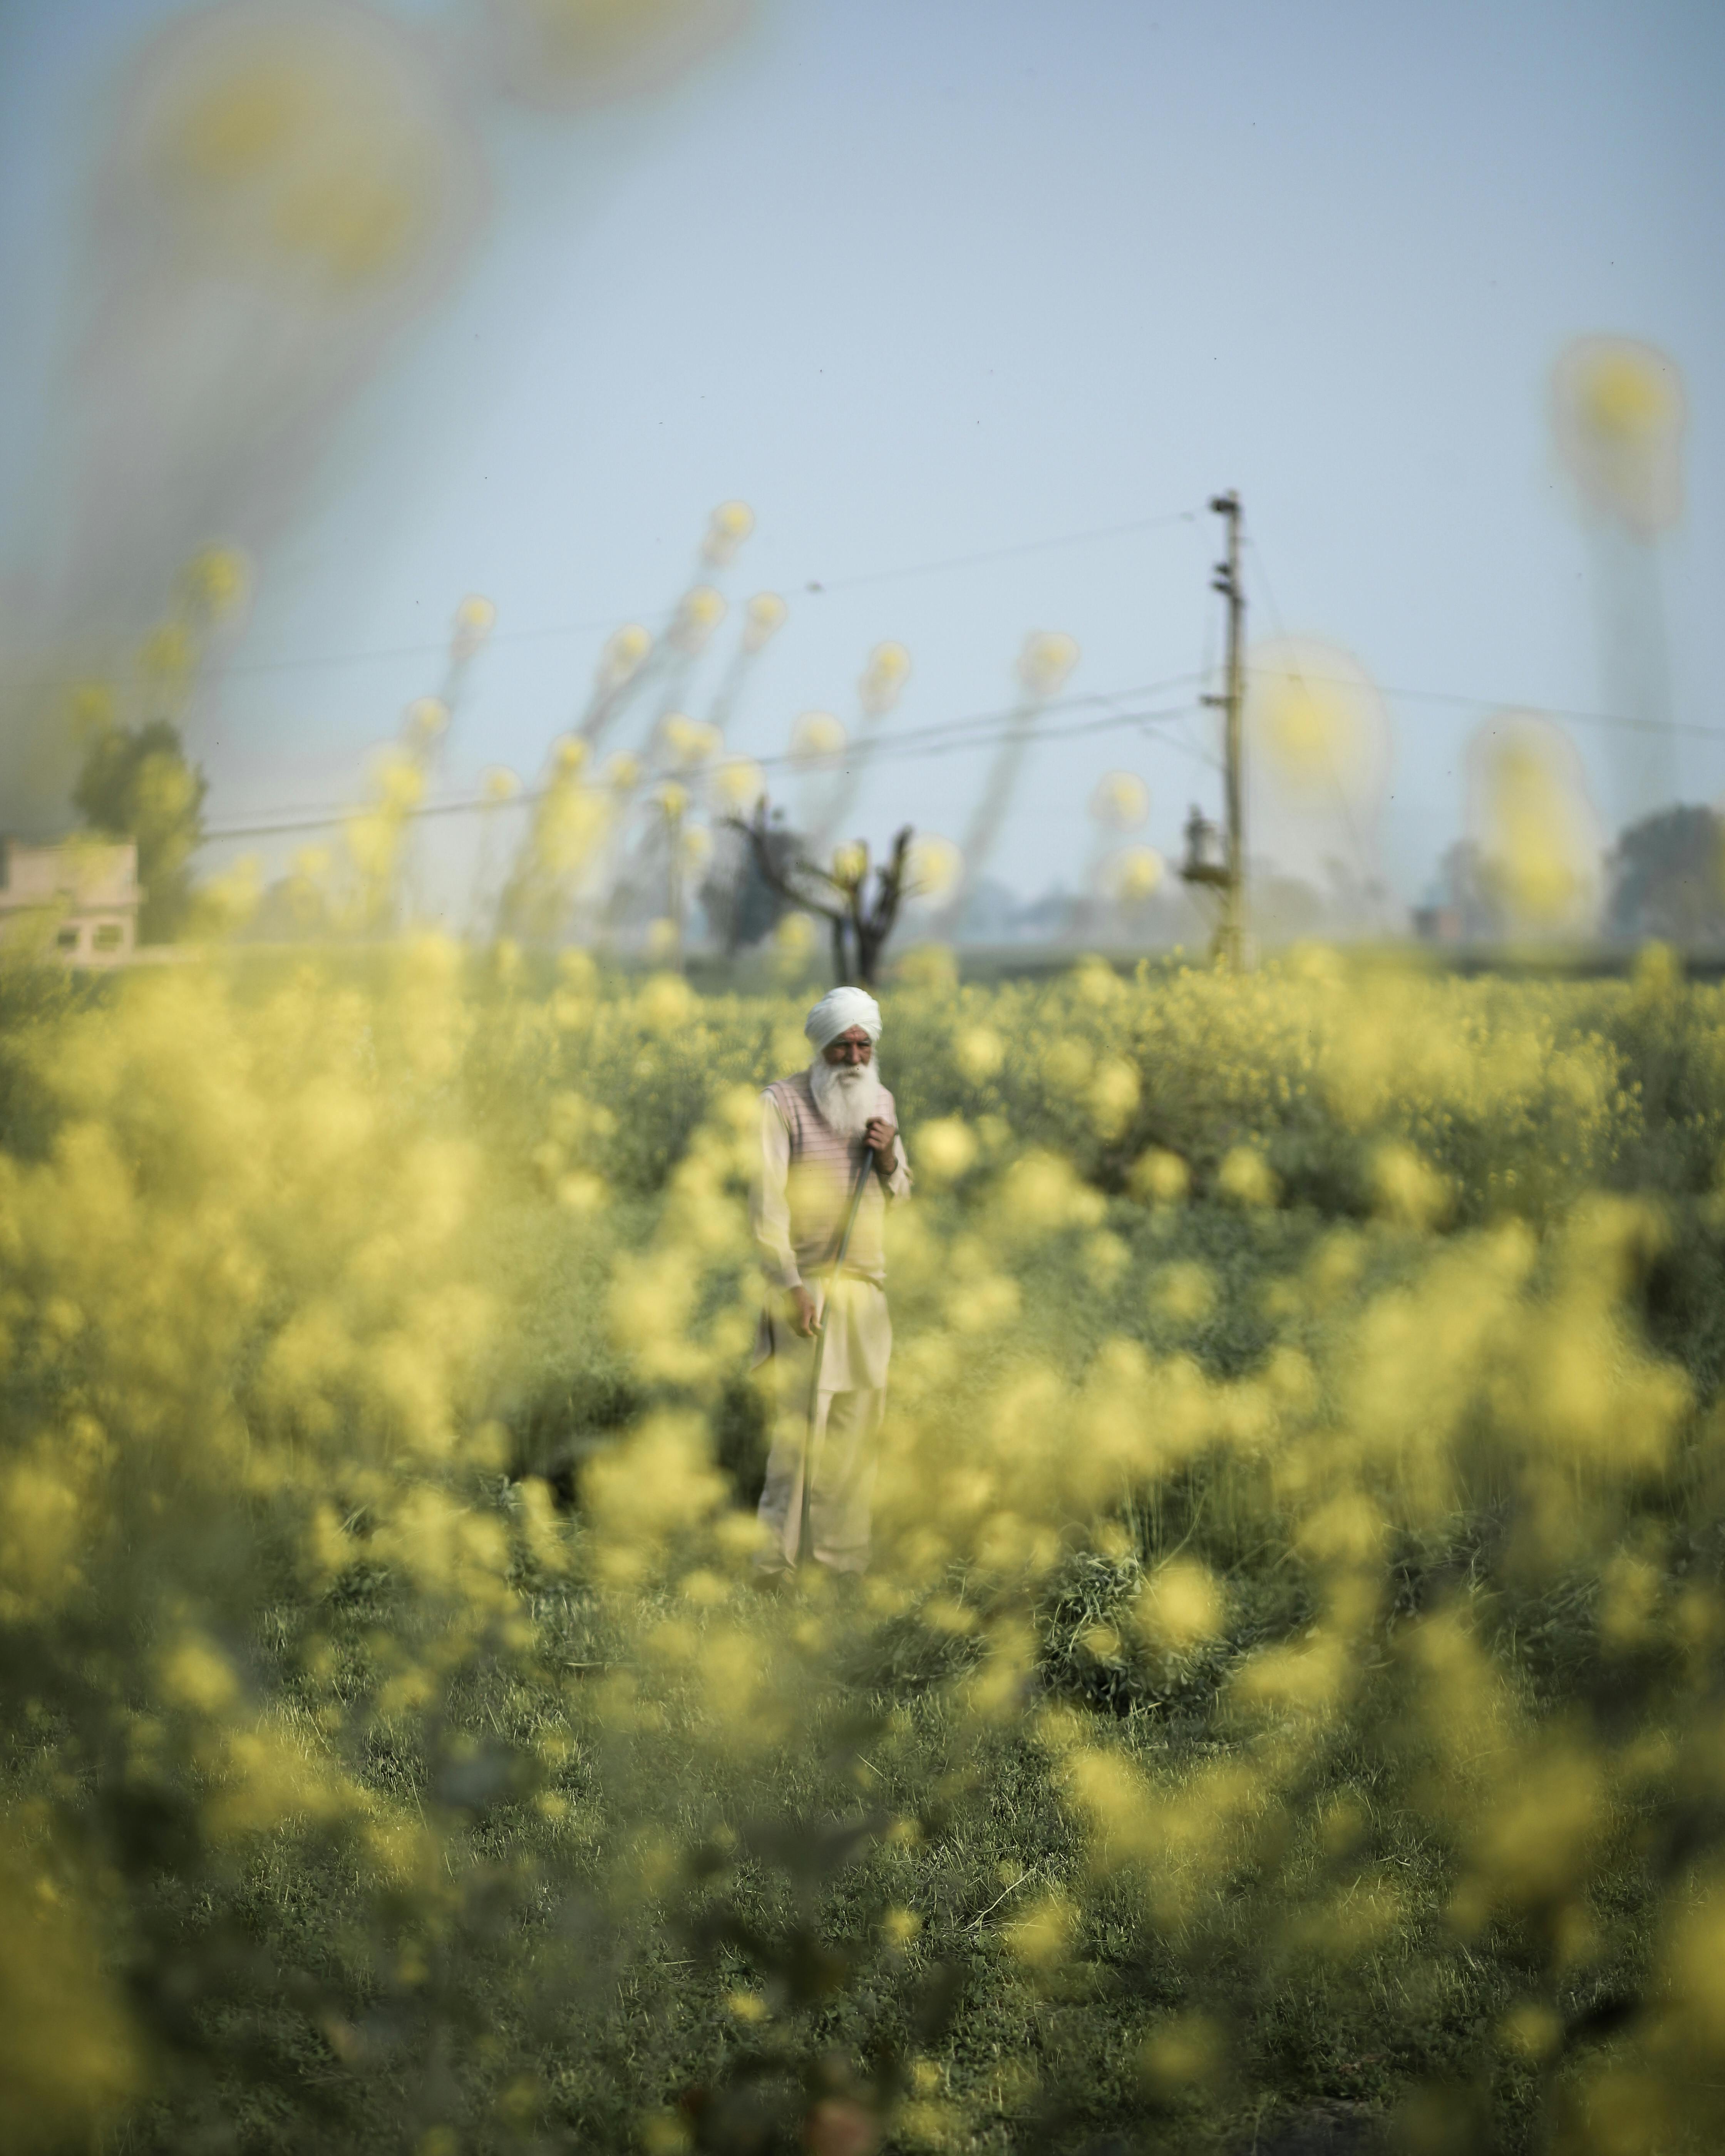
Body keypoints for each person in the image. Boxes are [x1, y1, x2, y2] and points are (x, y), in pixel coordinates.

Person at [751, 984, 912, 1574]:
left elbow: (900, 1193)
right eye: (841, 1048)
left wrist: (890, 1155)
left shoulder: (882, 1103)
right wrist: (791, 1287)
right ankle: (773, 1567)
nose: (853, 1059)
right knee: (799, 1437)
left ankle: (842, 1560)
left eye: (862, 1046)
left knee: (854, 1432)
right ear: (821, 1048)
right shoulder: (780, 1104)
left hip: (868, 1290)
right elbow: (765, 1209)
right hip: (808, 1289)